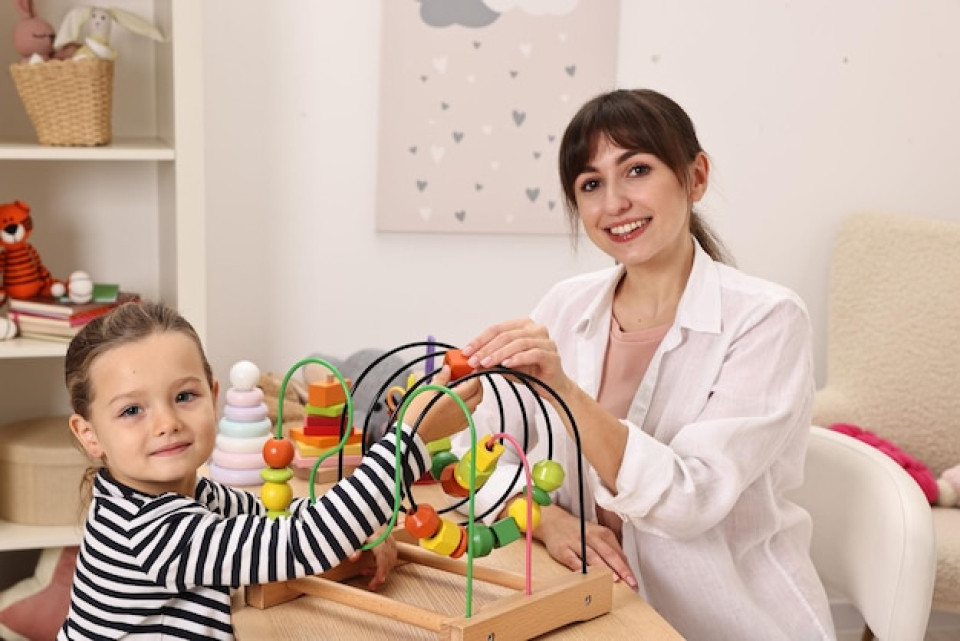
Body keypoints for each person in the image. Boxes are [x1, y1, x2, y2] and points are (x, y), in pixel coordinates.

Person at [452, 88, 836, 640]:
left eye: (636, 170)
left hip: (723, 622)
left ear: (695, 177)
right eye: (591, 185)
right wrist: (542, 518)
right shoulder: (566, 305)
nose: (613, 204)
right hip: (587, 605)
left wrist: (564, 388)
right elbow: (475, 451)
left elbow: (689, 500)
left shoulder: (768, 320)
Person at [57, 300, 482, 640]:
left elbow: (280, 522)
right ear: (89, 434)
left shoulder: (196, 494)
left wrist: (358, 529)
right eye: (132, 410)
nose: (166, 422)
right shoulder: (149, 531)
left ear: (214, 395)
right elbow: (305, 541)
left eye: (184, 396)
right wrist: (412, 437)